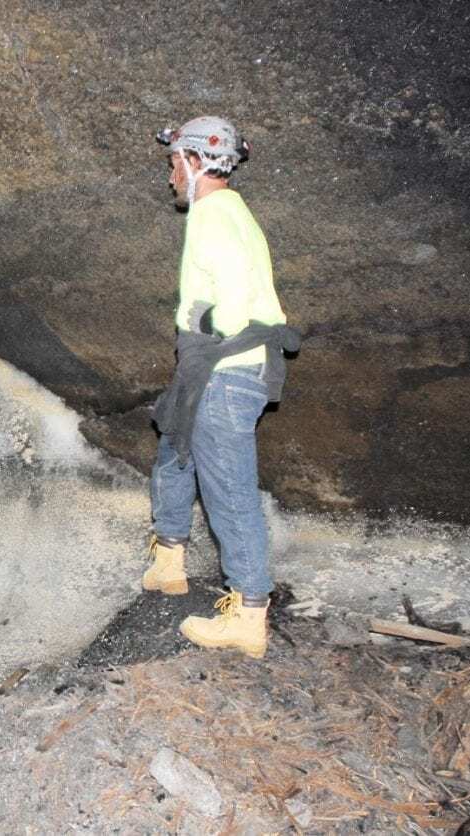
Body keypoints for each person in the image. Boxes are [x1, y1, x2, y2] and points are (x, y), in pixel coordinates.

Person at [142, 116, 299, 659]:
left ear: (194, 162)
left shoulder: (213, 215)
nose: (169, 177)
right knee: (175, 450)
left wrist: (213, 327)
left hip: (225, 370)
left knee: (229, 490)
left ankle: (249, 614)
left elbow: (233, 292)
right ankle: (168, 563)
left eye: (172, 164)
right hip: (211, 372)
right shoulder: (228, 212)